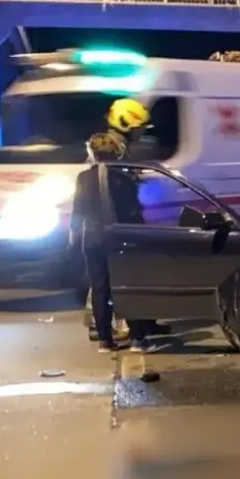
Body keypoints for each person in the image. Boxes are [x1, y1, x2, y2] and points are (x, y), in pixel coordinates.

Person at [70, 132, 157, 353]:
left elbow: (77, 211)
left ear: (91, 152)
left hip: (92, 238)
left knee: (100, 288)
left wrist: (74, 236)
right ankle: (138, 338)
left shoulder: (83, 178)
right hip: (120, 237)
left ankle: (105, 341)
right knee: (128, 285)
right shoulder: (125, 178)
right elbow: (133, 212)